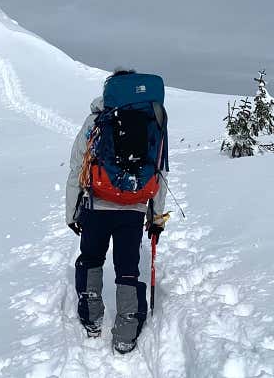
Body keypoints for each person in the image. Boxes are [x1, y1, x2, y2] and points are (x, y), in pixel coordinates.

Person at [65, 69, 170, 354]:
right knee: (127, 267)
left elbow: (77, 166)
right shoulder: (154, 119)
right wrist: (156, 218)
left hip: (96, 204)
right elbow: (159, 173)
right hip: (134, 208)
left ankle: (91, 319)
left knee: (91, 258)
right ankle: (126, 332)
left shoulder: (97, 119)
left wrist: (71, 212)